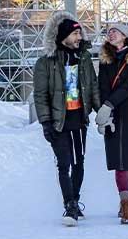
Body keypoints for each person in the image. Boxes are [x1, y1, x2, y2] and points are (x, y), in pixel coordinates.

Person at [33, 11, 101, 226]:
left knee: (79, 161)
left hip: (79, 118)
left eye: (80, 33)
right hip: (58, 121)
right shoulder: (45, 63)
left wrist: (102, 112)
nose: (79, 37)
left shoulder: (84, 58)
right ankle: (69, 204)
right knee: (64, 164)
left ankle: (75, 200)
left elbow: (93, 87)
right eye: (76, 33)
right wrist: (46, 123)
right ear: (64, 36)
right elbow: (40, 95)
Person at [95, 23, 128, 225]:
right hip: (113, 113)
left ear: (125, 36)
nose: (111, 33)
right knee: (119, 160)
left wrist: (108, 104)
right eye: (109, 32)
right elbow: (102, 85)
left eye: (115, 31)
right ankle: (125, 202)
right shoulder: (105, 59)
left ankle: (127, 201)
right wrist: (103, 111)